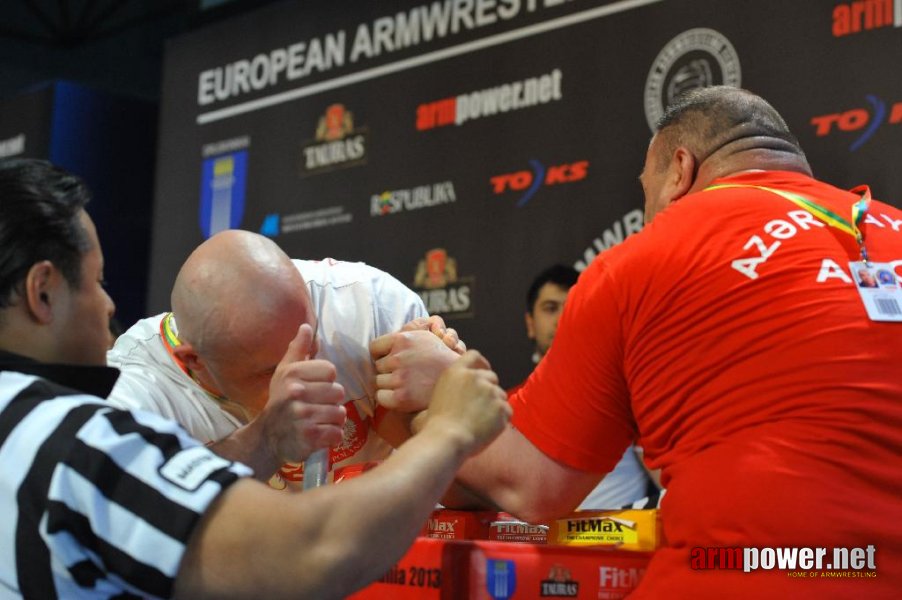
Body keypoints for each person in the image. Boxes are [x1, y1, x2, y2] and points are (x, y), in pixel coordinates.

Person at [371, 87, 902, 597]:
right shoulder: (886, 224)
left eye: (645, 192)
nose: (646, 215)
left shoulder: (644, 261)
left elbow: (531, 486)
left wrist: (441, 385)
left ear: (679, 170)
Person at [0, 157, 511, 598]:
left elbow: (501, 492)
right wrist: (450, 430)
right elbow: (308, 556)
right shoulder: (80, 433)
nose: (108, 305)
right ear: (42, 293)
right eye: (96, 281)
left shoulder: (370, 304)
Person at [107, 230, 461, 486]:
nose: (304, 372)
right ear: (194, 360)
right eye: (271, 371)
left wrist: (453, 393)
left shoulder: (371, 307)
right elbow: (128, 509)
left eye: (313, 338)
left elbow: (483, 491)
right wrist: (267, 438)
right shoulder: (133, 385)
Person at [517, 264, 655, 509]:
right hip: (528, 543)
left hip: (614, 542)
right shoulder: (504, 404)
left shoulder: (626, 395)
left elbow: (670, 486)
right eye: (550, 308)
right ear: (530, 323)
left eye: (571, 306)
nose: (561, 318)